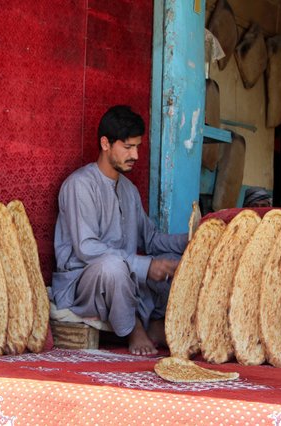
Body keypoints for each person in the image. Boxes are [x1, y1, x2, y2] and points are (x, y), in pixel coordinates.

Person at [52, 105, 188, 355]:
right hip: (85, 280)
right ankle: (134, 329)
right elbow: (87, 248)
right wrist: (145, 266)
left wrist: (192, 241)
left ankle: (157, 326)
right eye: (127, 147)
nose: (135, 154)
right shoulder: (79, 185)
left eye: (137, 147)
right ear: (105, 143)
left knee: (181, 265)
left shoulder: (129, 190)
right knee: (113, 266)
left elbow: (152, 239)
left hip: (124, 275)